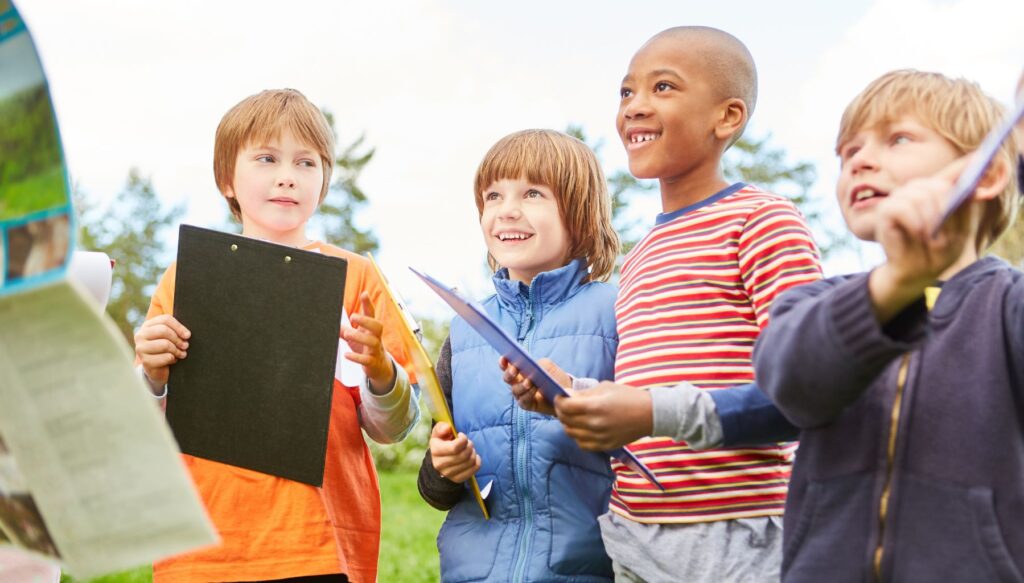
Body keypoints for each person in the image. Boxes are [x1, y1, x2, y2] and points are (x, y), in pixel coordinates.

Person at [504, 27, 821, 582]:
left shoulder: (764, 220)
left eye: (664, 87)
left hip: (737, 536)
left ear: (727, 117)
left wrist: (649, 412)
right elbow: (646, 391)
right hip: (637, 536)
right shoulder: (643, 252)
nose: (635, 107)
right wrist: (567, 395)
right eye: (626, 93)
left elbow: (805, 394)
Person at [134, 89, 419, 583]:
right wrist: (152, 375)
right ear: (227, 178)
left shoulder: (357, 279)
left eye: (306, 162)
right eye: (266, 158)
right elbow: (146, 427)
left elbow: (393, 427)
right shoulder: (187, 278)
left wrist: (379, 370)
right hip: (203, 546)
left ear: (324, 181)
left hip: (318, 543)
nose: (287, 175)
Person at [753, 70, 1023, 581]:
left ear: (986, 176)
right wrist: (895, 284)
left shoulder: (1009, 303)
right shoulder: (816, 301)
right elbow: (791, 384)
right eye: (848, 152)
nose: (861, 161)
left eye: (898, 139)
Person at [416, 129, 621, 582]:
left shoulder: (618, 313)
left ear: (580, 213)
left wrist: (572, 401)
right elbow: (436, 489)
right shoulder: (464, 330)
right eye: (493, 195)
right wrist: (445, 466)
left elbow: (649, 447)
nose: (507, 209)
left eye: (532, 193)